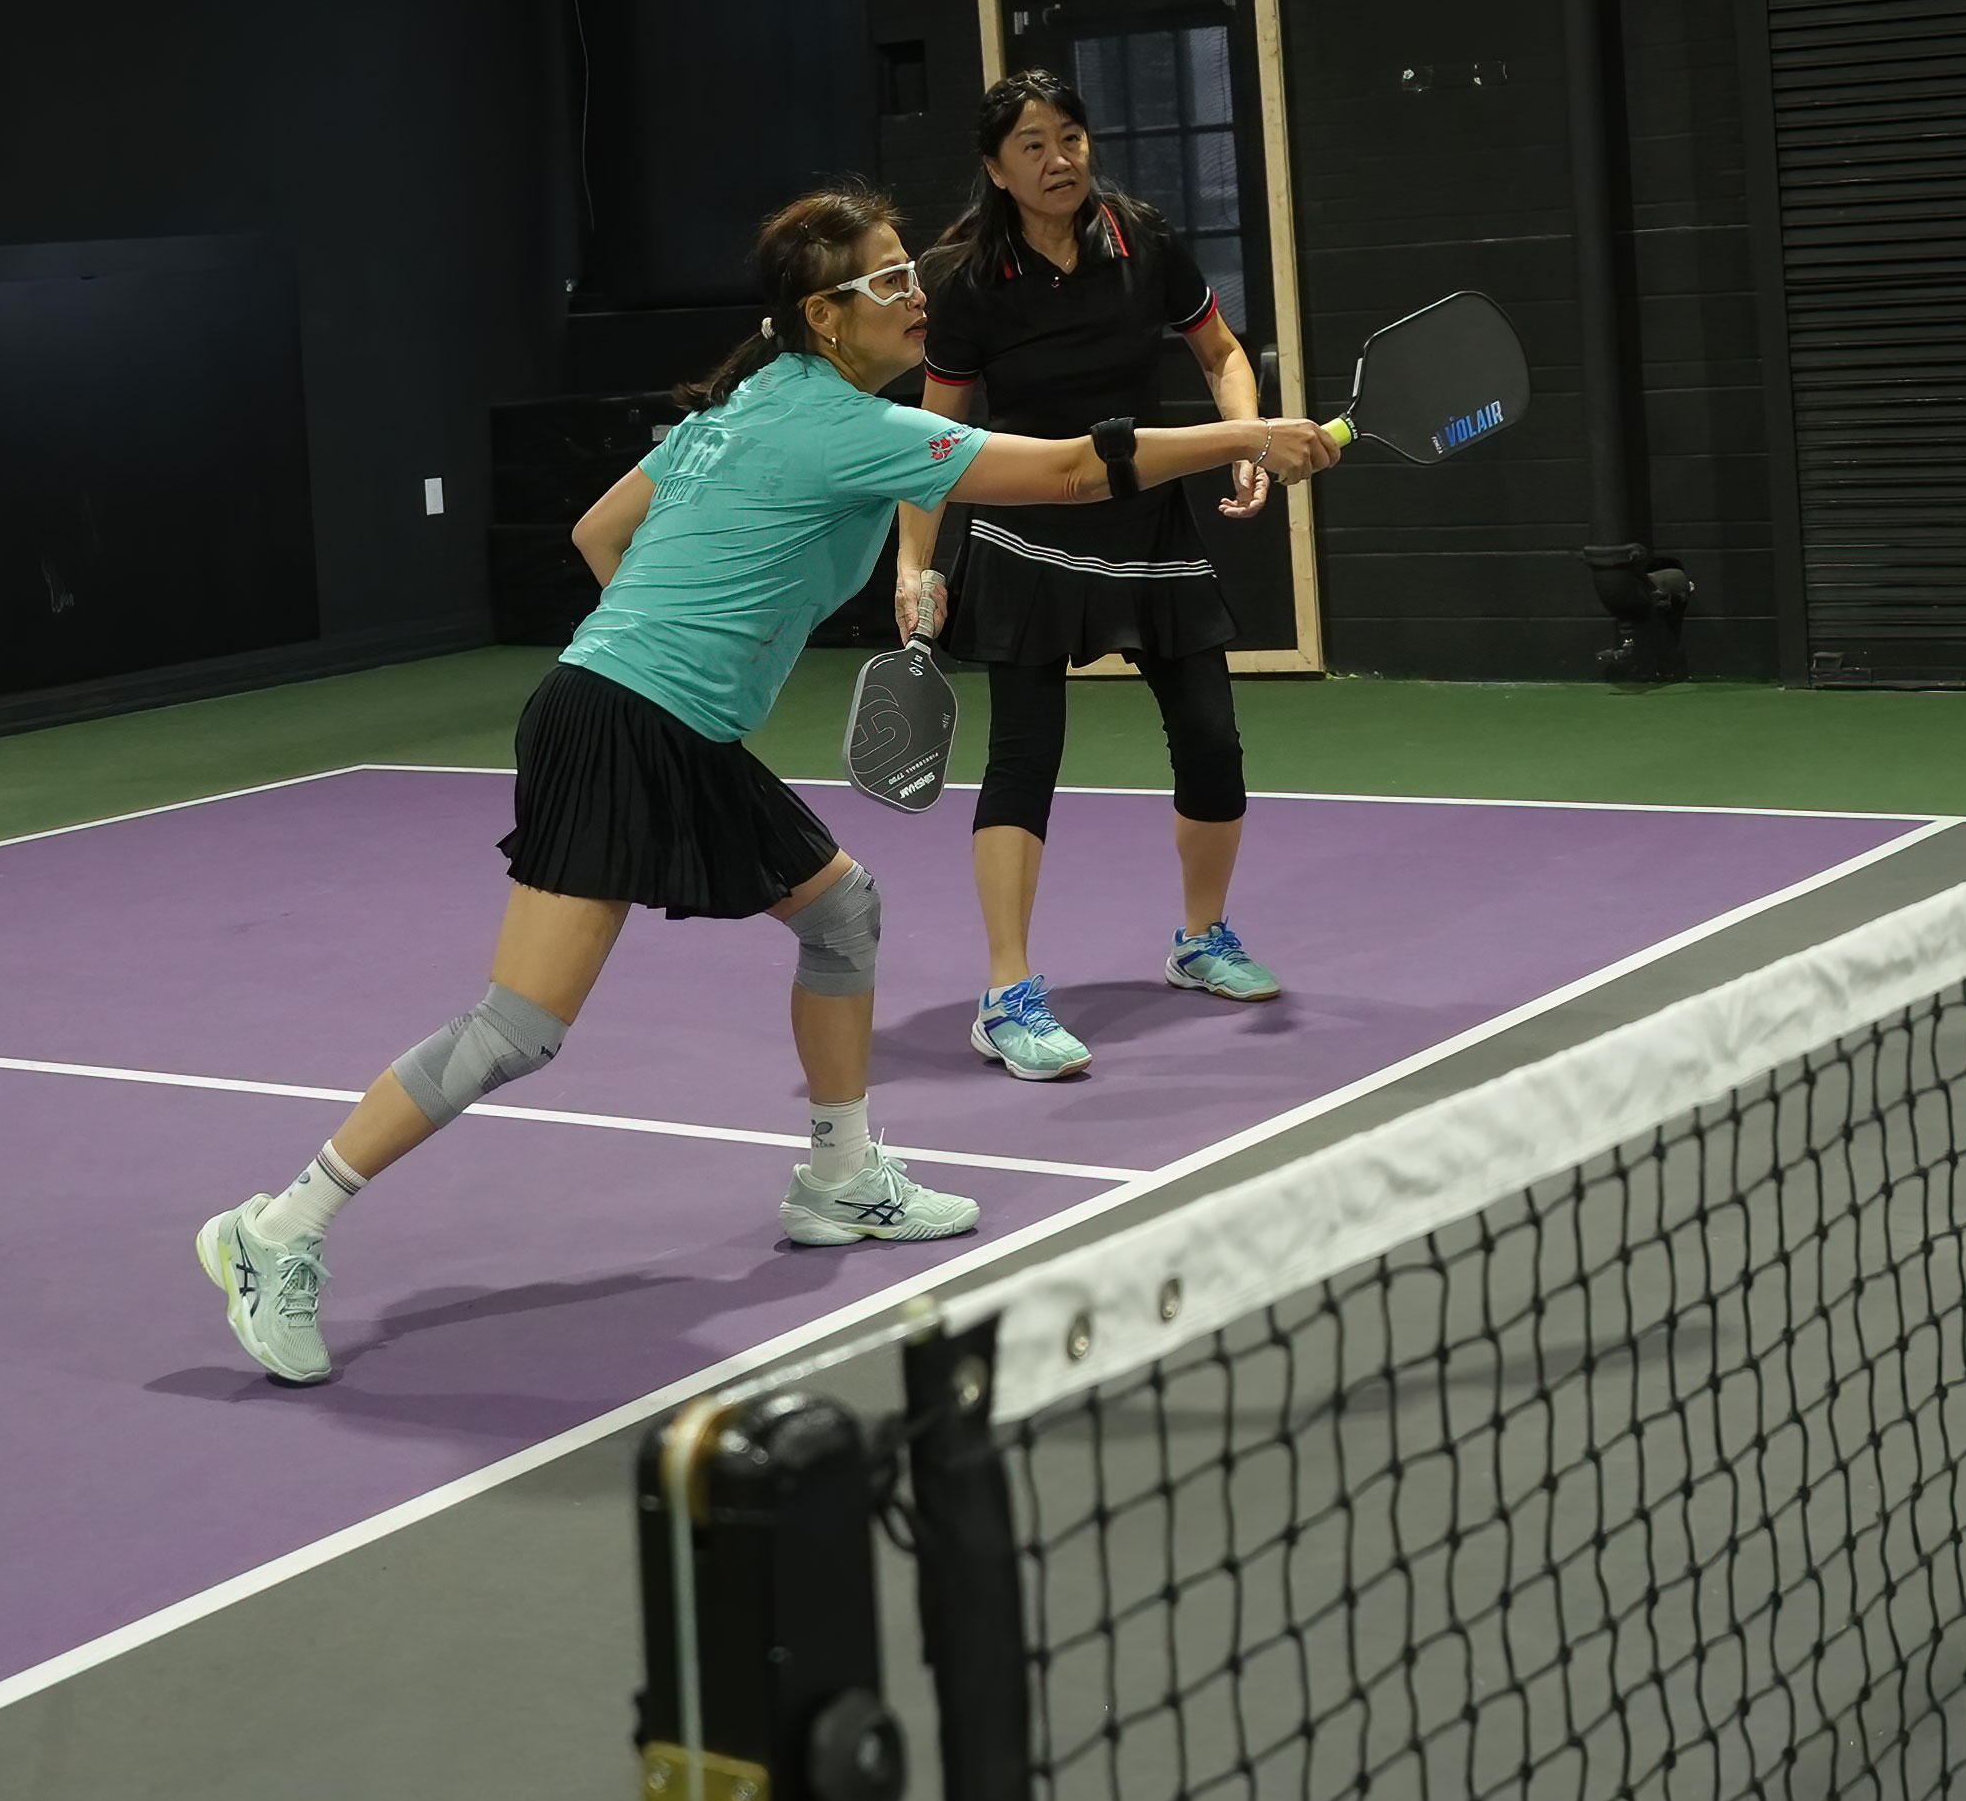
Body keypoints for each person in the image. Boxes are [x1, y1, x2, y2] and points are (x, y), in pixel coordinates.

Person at [196, 186, 1336, 1385]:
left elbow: (597, 533)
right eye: (887, 280)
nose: (915, 295)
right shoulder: (840, 425)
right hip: (624, 724)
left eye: (913, 272)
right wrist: (1244, 435)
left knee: (841, 911)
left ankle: (839, 1178)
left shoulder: (746, 406)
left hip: (660, 715)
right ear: (825, 315)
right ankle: (278, 1228)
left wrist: (683, 642)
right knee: (518, 1029)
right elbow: (1065, 474)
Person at [898, 71, 1285, 1081]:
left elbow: (1222, 352)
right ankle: (1007, 995)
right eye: (1031, 145)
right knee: (1024, 758)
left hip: (1148, 521)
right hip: (1026, 531)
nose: (1058, 158)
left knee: (1211, 738)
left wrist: (1245, 436)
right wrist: (913, 560)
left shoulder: (1142, 241)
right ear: (996, 169)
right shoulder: (967, 280)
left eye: (1069, 136)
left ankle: (1201, 938)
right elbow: (935, 433)